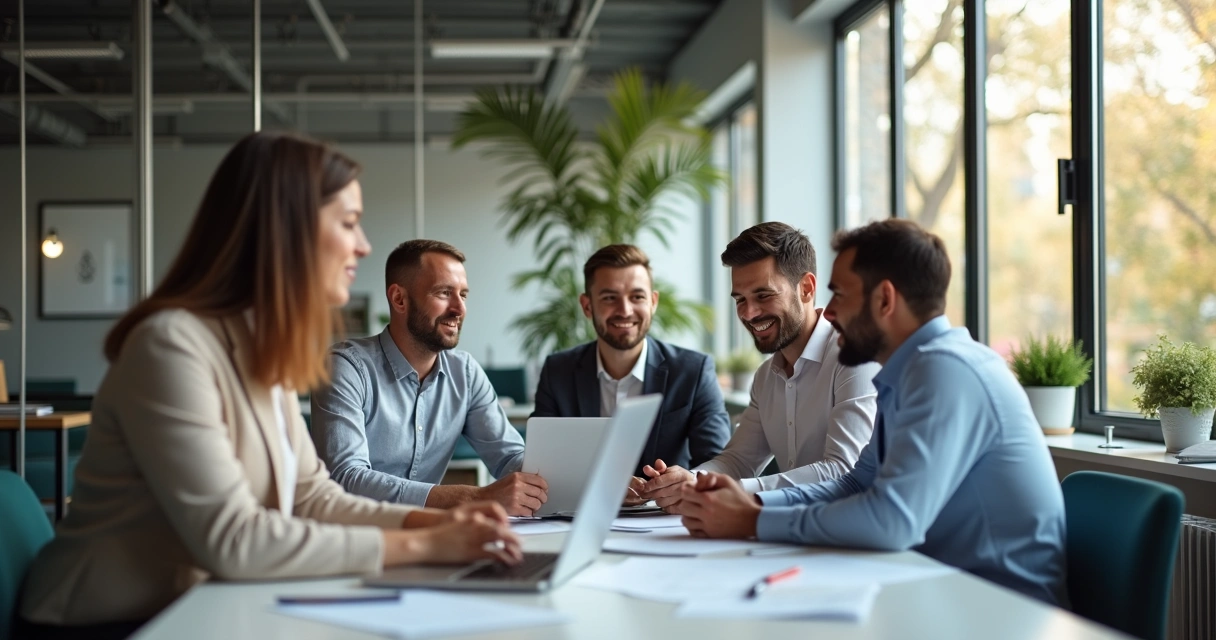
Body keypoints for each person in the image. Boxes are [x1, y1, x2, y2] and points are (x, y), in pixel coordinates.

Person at [18, 132, 521, 639]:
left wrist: (440, 525)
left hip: (201, 608)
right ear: (288, 231)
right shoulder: (170, 346)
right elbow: (234, 540)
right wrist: (426, 545)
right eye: (348, 223)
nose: (363, 245)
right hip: (107, 624)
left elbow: (314, 498)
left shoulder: (264, 352)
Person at [678, 219, 1067, 607]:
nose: (829, 313)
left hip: (1000, 604)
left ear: (884, 300)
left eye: (840, 295)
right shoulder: (907, 373)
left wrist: (751, 519)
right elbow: (854, 484)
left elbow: (892, 521)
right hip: (937, 585)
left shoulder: (945, 370)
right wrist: (753, 506)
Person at [639, 223, 878, 513]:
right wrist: (691, 480)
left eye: (763, 295)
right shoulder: (766, 377)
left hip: (849, 530)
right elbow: (738, 461)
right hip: (790, 529)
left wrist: (728, 491)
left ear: (806, 288)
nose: (749, 313)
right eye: (740, 299)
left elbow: (843, 471)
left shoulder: (853, 358)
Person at [312, 240, 547, 515]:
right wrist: (475, 497)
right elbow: (346, 479)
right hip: (355, 533)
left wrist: (548, 477)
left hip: (428, 532)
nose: (459, 309)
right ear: (399, 299)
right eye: (444, 293)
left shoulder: (465, 373)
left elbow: (509, 457)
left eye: (463, 295)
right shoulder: (346, 367)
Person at [531, 244, 731, 483]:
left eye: (637, 297)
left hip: (665, 505)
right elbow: (544, 466)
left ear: (653, 302)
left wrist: (686, 481)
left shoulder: (693, 371)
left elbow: (718, 463)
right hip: (581, 504)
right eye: (609, 298)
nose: (625, 311)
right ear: (587, 306)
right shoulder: (557, 371)